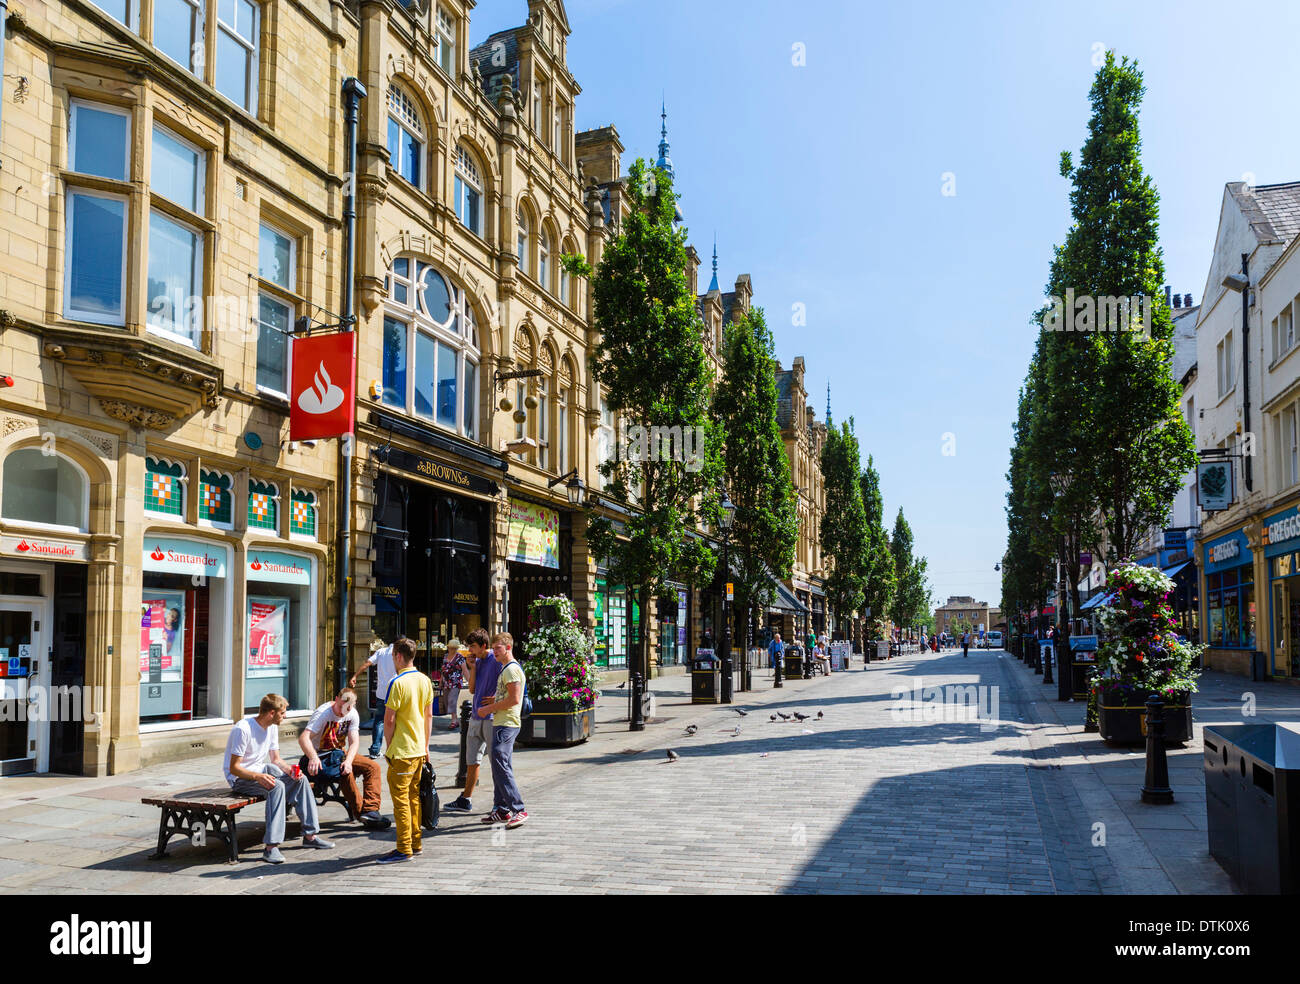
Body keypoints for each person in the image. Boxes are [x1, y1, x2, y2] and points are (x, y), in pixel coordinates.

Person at [225, 693, 334, 864]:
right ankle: (271, 848)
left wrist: (290, 770)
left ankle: (310, 836)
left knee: (300, 780)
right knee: (277, 787)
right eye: (282, 713)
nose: (285, 716)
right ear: (271, 713)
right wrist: (257, 776)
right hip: (239, 778)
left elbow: (276, 759)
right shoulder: (243, 729)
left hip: (260, 770)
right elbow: (234, 768)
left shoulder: (272, 727)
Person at [376, 637, 434, 864]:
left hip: (402, 751)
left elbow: (389, 720)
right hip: (418, 749)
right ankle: (415, 843)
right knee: (413, 798)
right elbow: (428, 716)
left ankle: (404, 848)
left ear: (398, 656)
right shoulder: (425, 680)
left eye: (393, 656)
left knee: (401, 801)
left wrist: (389, 746)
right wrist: (426, 745)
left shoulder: (397, 682)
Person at [298, 687, 388, 830]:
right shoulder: (323, 713)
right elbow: (304, 738)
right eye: (340, 707)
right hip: (321, 755)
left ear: (353, 704)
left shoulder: (353, 714)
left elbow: (354, 742)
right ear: (336, 699)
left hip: (339, 753)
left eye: (347, 708)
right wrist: (313, 757)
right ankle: (361, 813)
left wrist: (348, 761)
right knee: (345, 771)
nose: (342, 712)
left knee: (373, 767)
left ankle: (371, 810)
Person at [477, 631, 528, 828]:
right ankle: (501, 809)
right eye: (493, 648)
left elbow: (514, 699)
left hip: (506, 724)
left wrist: (488, 708)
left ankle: (518, 809)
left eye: (497, 648)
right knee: (499, 765)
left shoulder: (511, 669)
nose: (494, 652)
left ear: (508, 648)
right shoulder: (507, 668)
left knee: (500, 763)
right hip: (502, 723)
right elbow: (509, 696)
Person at [444, 628, 497, 814]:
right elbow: (473, 688)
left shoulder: (496, 659)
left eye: (473, 646)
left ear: (483, 645)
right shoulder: (478, 661)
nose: (470, 650)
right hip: (475, 716)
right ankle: (466, 799)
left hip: (491, 718)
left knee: (497, 762)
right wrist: (472, 667)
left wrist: (498, 698)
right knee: (472, 760)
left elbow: (510, 683)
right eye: (468, 647)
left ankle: (500, 801)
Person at [350, 636, 397, 759]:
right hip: (396, 692)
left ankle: (375, 749)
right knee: (396, 720)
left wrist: (355, 676)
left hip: (381, 693)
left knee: (379, 720)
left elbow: (367, 664)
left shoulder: (381, 652)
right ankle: (394, 749)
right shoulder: (399, 653)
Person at [441, 638, 466, 730]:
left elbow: (465, 670)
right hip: (446, 682)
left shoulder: (460, 657)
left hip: (456, 683)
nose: (452, 649)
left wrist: (471, 682)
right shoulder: (445, 656)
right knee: (447, 701)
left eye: (454, 648)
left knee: (452, 700)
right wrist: (440, 681)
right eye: (451, 648)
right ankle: (455, 719)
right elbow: (443, 669)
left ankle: (454, 721)